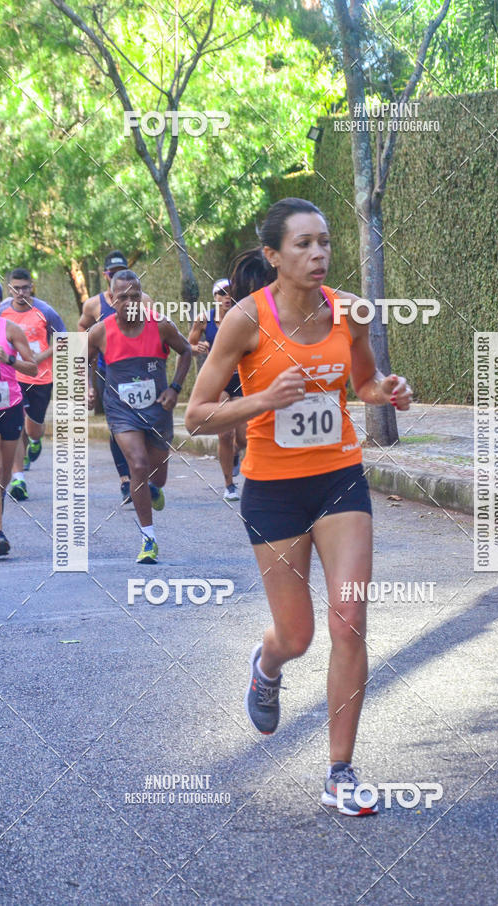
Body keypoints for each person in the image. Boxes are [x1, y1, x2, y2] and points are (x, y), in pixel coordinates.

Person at [185, 198, 412, 816]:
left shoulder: (350, 312)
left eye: (325, 242)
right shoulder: (246, 320)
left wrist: (387, 390)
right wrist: (262, 399)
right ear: (273, 255)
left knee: (349, 619)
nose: (318, 254)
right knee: (298, 634)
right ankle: (268, 663)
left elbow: (363, 384)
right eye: (304, 244)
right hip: (273, 491)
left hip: (339, 479)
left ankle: (340, 771)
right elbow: (197, 415)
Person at [87, 269, 191, 563]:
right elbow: (83, 358)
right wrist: (88, 387)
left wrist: (175, 388)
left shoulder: (161, 325)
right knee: (138, 464)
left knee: (158, 476)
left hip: (158, 409)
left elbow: (186, 351)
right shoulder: (101, 331)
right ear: (112, 298)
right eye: (123, 297)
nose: (130, 302)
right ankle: (148, 539)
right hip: (121, 412)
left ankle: (153, 489)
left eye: (135, 296)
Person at [78, 250, 154, 505]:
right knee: (117, 427)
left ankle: (141, 474)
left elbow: (154, 331)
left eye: (121, 271)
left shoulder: (145, 300)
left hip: (139, 371)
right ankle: (125, 480)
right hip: (108, 371)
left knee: (144, 424)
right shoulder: (93, 304)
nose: (117, 276)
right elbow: (82, 328)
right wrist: (87, 384)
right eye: (113, 273)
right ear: (106, 276)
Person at [0, 268, 66, 501]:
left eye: (25, 288)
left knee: (32, 428)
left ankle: (36, 440)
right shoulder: (1, 311)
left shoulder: (45, 311)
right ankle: (19, 480)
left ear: (31, 287)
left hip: (40, 377)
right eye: (16, 288)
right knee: (17, 425)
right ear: (9, 289)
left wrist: (40, 357)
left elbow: (63, 339)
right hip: (12, 377)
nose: (21, 292)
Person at [0, 275, 37, 555]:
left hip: (10, 407)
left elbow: (33, 368)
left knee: (3, 474)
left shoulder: (11, 330)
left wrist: (9, 359)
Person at [187, 278, 246, 500]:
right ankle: (229, 485)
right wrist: (198, 347)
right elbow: (188, 346)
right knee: (225, 433)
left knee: (243, 438)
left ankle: (235, 452)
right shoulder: (204, 319)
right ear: (214, 297)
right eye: (221, 293)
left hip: (240, 379)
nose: (226, 297)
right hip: (218, 381)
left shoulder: (243, 317)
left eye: (230, 292)